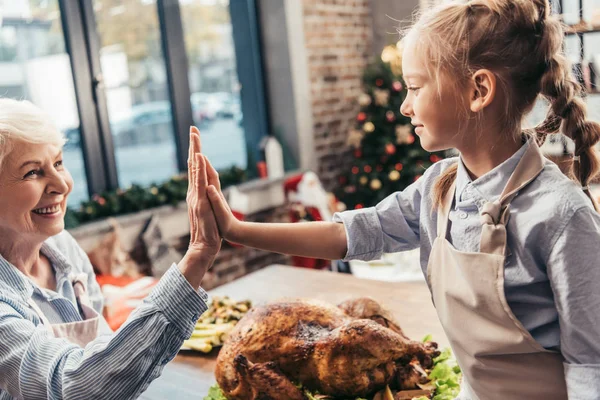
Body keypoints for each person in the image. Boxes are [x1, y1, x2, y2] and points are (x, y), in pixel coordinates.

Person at [203, 1, 600, 399]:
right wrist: (235, 230)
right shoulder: (437, 189)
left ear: (478, 90)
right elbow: (350, 235)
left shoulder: (561, 215)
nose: (405, 106)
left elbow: (590, 365)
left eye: (414, 87)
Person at [0, 98, 220, 399]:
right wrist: (197, 256)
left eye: (59, 163)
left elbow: (103, 356)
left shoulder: (62, 248)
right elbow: (72, 389)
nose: (62, 185)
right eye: (33, 172)